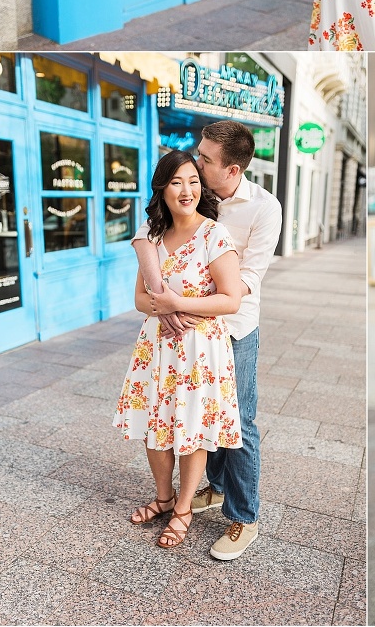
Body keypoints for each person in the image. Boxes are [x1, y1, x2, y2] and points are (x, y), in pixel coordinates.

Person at [133, 121, 283, 561]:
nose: (196, 166)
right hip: (178, 330)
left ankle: (244, 516)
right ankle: (213, 490)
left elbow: (246, 282)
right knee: (200, 417)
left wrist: (186, 303)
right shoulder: (191, 200)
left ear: (231, 170)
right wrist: (169, 305)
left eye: (205, 161)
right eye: (196, 158)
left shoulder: (263, 208)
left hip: (232, 328)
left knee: (240, 423)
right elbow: (150, 270)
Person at [113, 150, 243, 549]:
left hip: (199, 351)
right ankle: (163, 498)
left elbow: (231, 299)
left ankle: (184, 509)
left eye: (193, 181)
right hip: (156, 350)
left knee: (191, 429)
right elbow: (139, 298)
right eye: (176, 182)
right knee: (157, 428)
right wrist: (162, 306)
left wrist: (177, 304)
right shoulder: (153, 236)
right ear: (162, 189)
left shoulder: (214, 235)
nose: (186, 190)